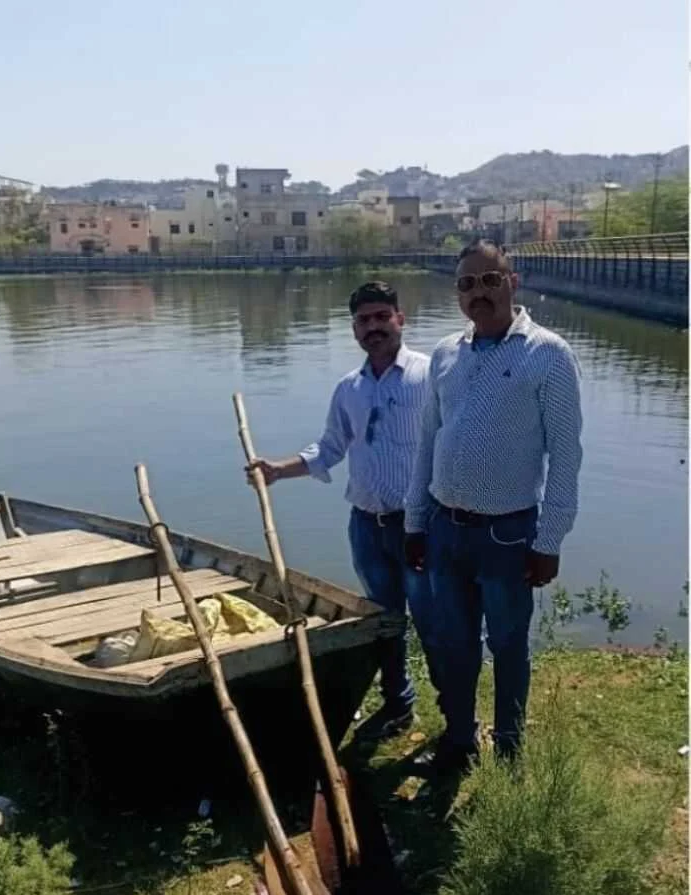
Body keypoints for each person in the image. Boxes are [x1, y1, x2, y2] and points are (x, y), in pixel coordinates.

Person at [404, 240, 583, 771]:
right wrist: (416, 523)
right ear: (457, 293)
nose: (478, 293)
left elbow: (566, 455)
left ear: (513, 282)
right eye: (467, 284)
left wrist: (549, 541)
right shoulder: (445, 354)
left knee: (507, 645)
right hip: (445, 529)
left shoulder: (548, 354)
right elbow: (428, 443)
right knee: (454, 643)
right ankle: (460, 741)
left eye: (489, 280)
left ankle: (508, 751)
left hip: (508, 534)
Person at [248, 280, 436, 741]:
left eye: (381, 317)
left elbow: (454, 442)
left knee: (436, 620)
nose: (373, 327)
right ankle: (398, 705)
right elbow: (331, 446)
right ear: (353, 329)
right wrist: (278, 470)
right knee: (384, 623)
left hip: (420, 527)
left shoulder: (432, 376)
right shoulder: (349, 388)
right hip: (367, 526)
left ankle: (457, 719)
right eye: (363, 320)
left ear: (400, 319)